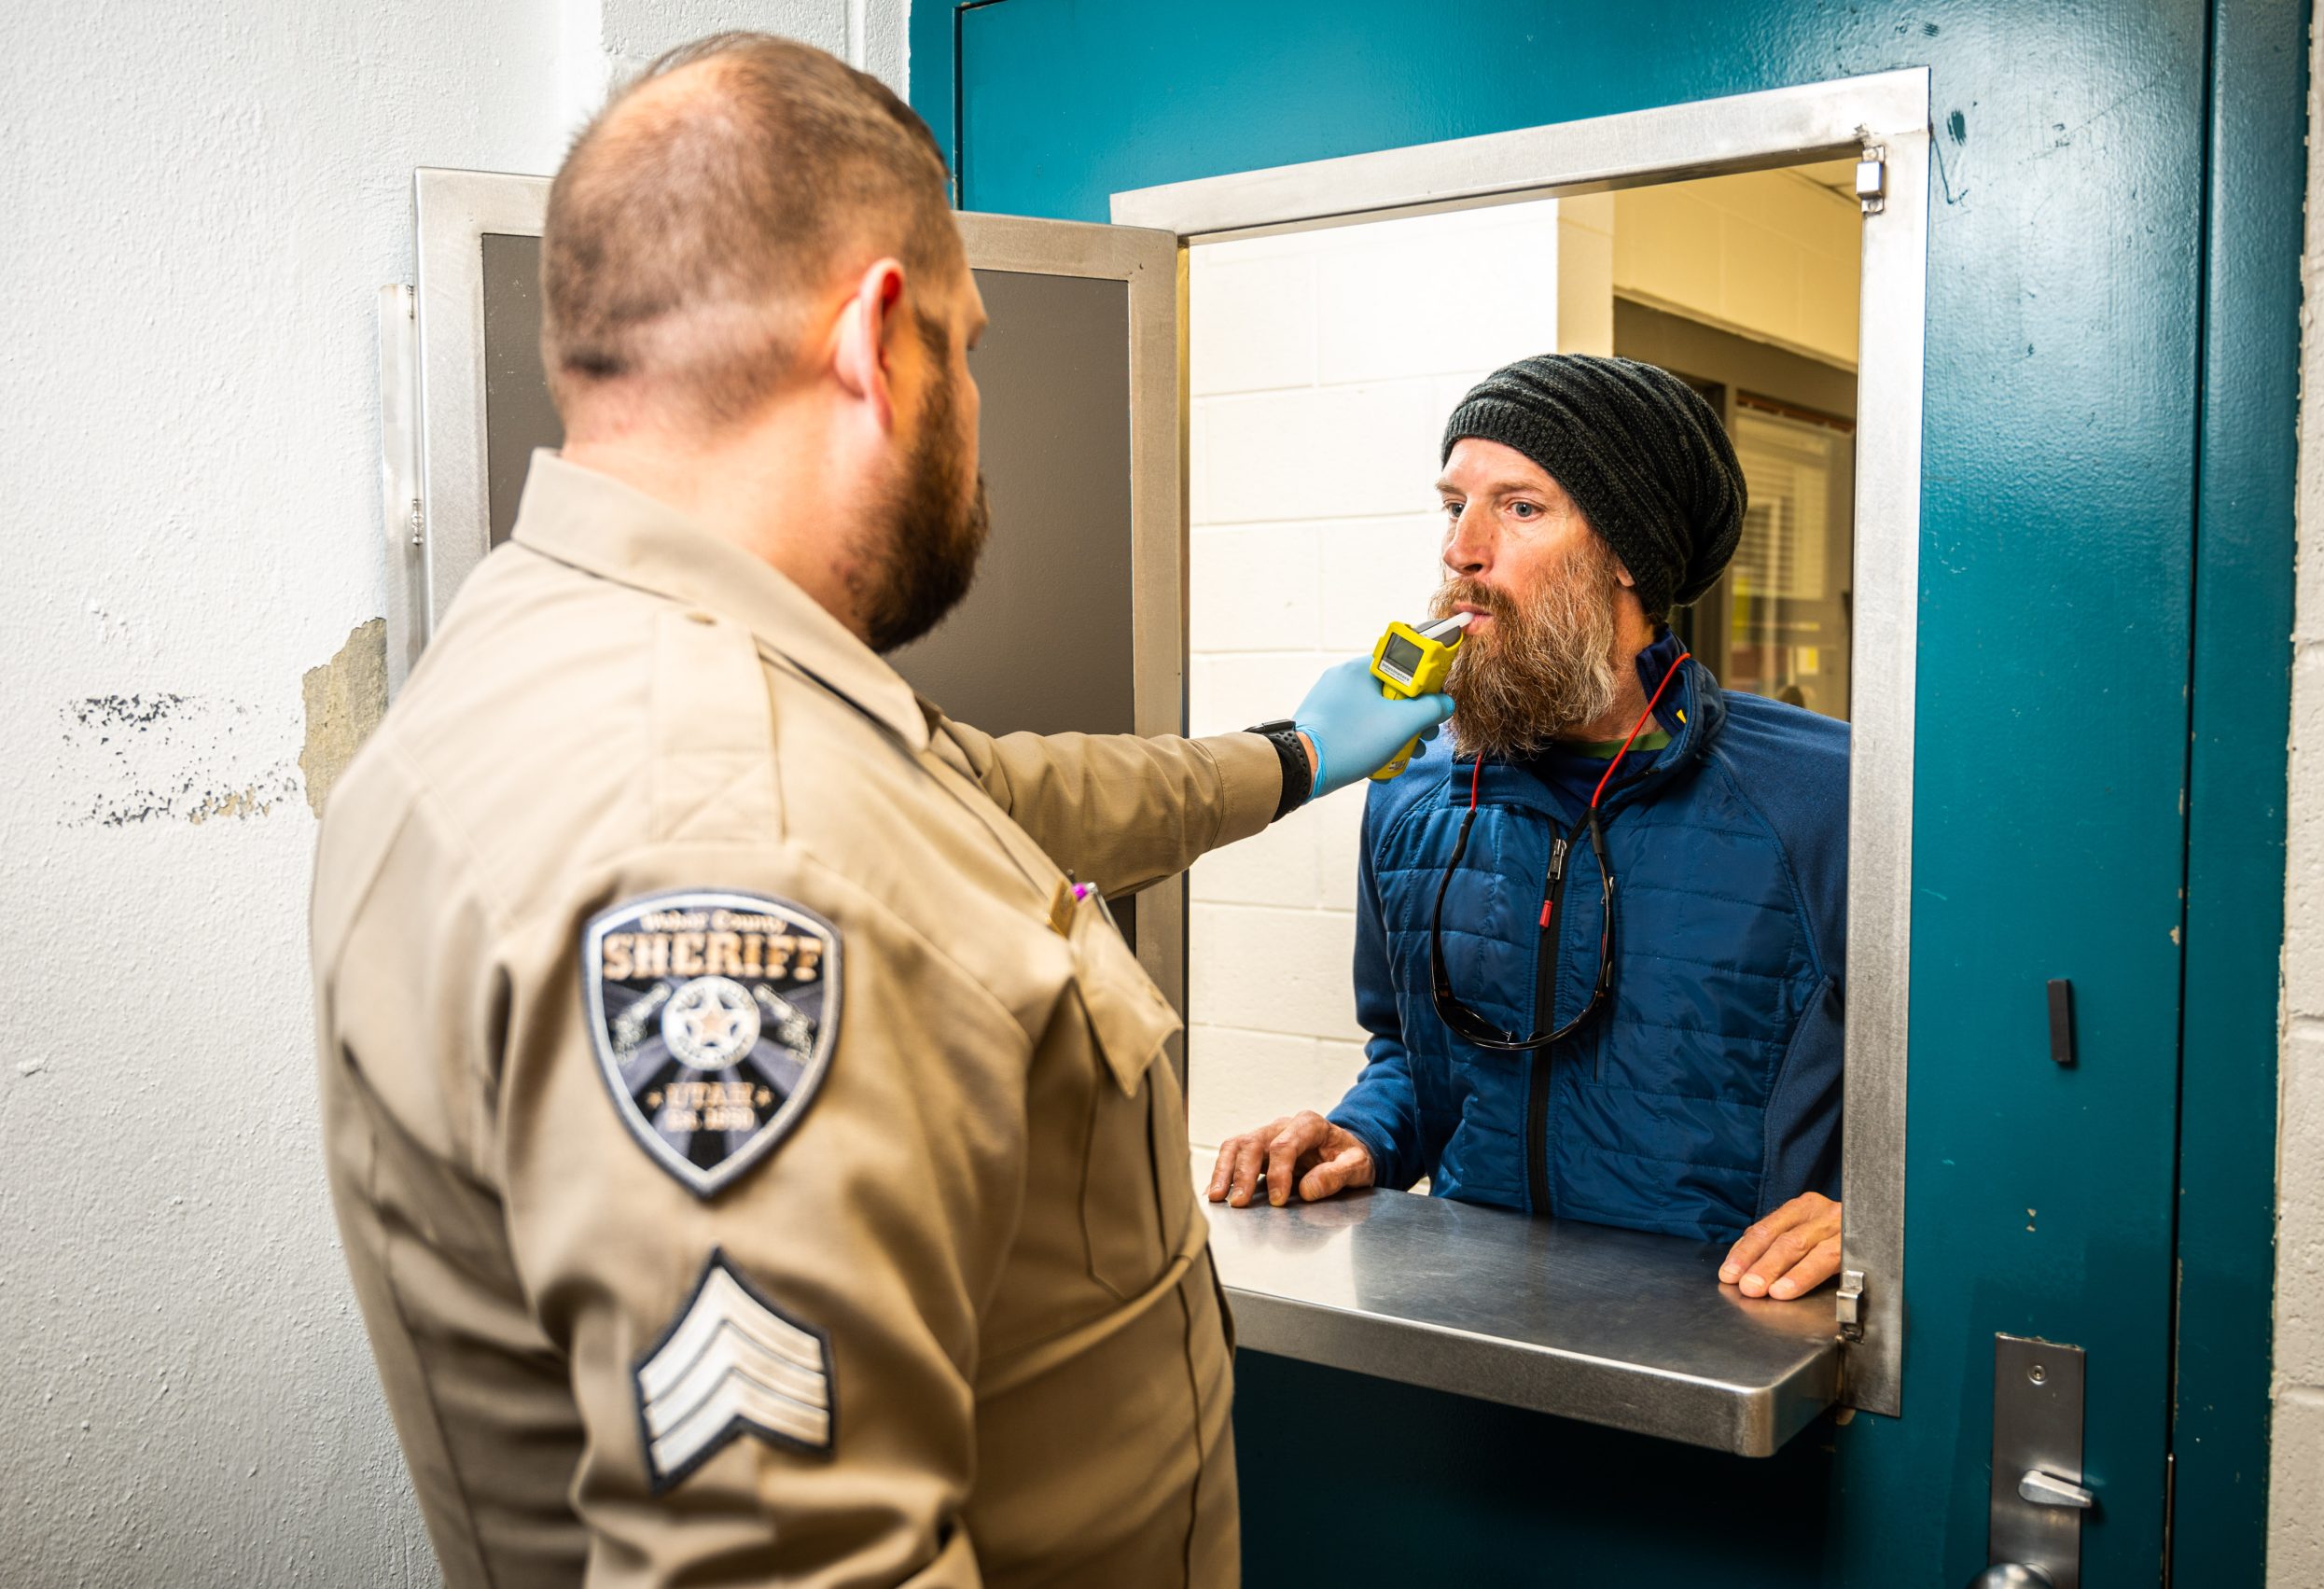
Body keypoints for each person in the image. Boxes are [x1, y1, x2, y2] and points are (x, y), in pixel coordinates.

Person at [311, 33, 1447, 1589]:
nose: (972, 404)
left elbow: (989, 797)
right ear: (872, 335)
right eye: (964, 349)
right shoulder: (735, 831)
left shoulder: (574, 657)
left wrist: (1297, 754)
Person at [1207, 355, 1851, 1303]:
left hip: (1726, 1341)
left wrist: (1874, 1211)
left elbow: (1970, 1095)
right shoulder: (1412, 785)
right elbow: (1411, 1057)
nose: (1460, 550)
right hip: (1473, 1328)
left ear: (1628, 553)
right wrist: (1361, 1135)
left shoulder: (1823, 794)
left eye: (1519, 507)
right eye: (1453, 505)